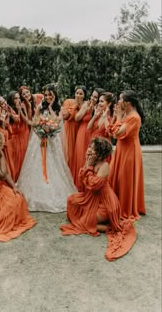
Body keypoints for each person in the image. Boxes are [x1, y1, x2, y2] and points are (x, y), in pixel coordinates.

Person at [60, 137, 136, 261]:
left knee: (86, 221)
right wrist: (87, 165)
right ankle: (91, 221)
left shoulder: (104, 165)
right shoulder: (91, 162)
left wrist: (88, 167)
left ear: (101, 153)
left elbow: (94, 185)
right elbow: (82, 182)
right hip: (90, 197)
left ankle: (107, 228)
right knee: (71, 201)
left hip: (104, 202)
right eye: (89, 147)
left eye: (93, 149)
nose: (89, 150)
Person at [17, 84, 77, 213]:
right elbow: (34, 122)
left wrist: (50, 108)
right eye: (46, 95)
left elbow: (57, 122)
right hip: (39, 140)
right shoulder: (39, 107)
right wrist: (40, 129)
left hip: (52, 141)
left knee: (54, 165)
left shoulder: (59, 109)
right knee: (36, 165)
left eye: (51, 95)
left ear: (55, 95)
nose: (48, 97)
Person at [108, 90, 146, 220]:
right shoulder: (126, 114)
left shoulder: (134, 118)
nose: (118, 102)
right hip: (121, 150)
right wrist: (116, 116)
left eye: (120, 99)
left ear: (127, 103)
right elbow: (113, 134)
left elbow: (118, 133)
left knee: (124, 179)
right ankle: (115, 204)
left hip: (130, 152)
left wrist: (118, 117)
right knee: (116, 176)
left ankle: (125, 208)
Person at [71, 87, 104, 189]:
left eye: (95, 97)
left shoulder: (101, 108)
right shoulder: (86, 104)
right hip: (82, 134)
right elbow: (77, 118)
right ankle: (79, 185)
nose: (93, 98)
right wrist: (86, 109)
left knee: (90, 159)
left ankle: (88, 185)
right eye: (92, 96)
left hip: (93, 135)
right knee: (80, 158)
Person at [61, 85, 86, 170]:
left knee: (78, 154)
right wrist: (74, 106)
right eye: (77, 93)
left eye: (81, 94)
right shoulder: (68, 102)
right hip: (69, 130)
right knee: (68, 153)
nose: (78, 95)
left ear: (84, 95)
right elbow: (65, 116)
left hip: (80, 131)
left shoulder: (85, 105)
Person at [7, 90, 30, 181]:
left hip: (24, 134)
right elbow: (17, 121)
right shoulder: (9, 109)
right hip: (16, 138)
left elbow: (27, 120)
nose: (18, 100)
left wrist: (25, 108)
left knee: (25, 158)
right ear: (11, 100)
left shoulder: (21, 106)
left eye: (18, 98)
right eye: (15, 98)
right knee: (17, 160)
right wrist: (19, 109)